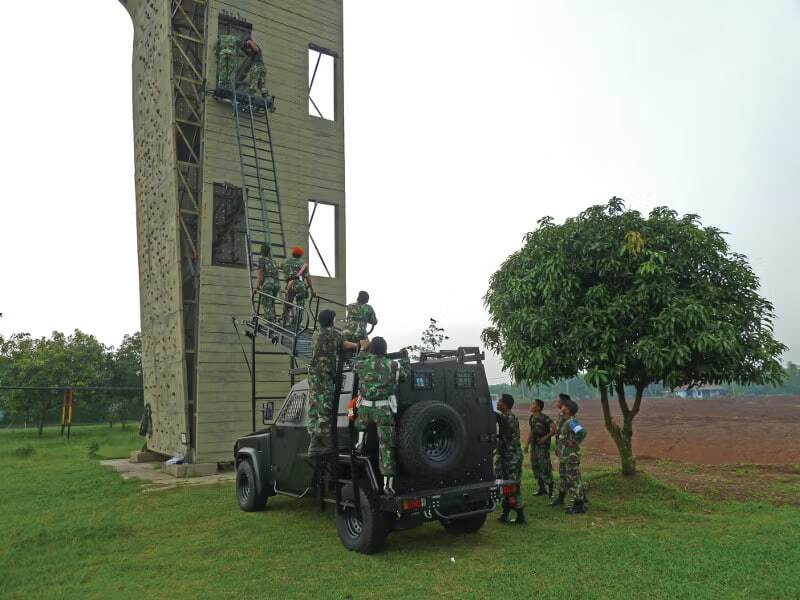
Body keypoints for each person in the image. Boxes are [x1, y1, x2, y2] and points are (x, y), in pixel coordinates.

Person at [352, 337, 409, 494]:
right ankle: (387, 485)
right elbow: (404, 376)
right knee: (386, 446)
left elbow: (354, 366)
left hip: (364, 409)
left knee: (359, 422)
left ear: (371, 349)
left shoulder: (362, 363)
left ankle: (359, 443)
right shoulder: (393, 365)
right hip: (383, 410)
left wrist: (362, 350)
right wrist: (405, 359)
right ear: (385, 349)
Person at [306, 310, 360, 456]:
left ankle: (313, 440)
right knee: (326, 407)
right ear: (331, 320)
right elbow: (346, 345)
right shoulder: (334, 334)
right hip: (324, 376)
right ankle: (320, 442)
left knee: (314, 406)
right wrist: (359, 345)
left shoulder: (316, 334)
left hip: (313, 375)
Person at [496, 393, 526, 524]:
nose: (497, 403)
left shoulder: (508, 417)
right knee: (506, 484)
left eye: (500, 401)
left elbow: (505, 438)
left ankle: (520, 516)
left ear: (505, 404)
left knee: (511, 485)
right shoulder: (506, 416)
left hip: (511, 457)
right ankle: (505, 513)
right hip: (509, 455)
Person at [559, 398, 588, 514]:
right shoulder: (567, 421)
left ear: (568, 409)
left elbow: (582, 432)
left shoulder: (571, 421)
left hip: (571, 456)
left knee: (573, 480)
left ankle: (579, 506)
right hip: (568, 456)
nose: (561, 407)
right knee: (575, 479)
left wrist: (575, 442)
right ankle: (580, 504)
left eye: (563, 406)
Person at [524, 399, 554, 497]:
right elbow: (532, 431)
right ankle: (541, 488)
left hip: (543, 447)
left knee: (545, 466)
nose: (531, 405)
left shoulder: (545, 418)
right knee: (536, 465)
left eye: (533, 404)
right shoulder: (532, 417)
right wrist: (527, 444)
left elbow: (554, 429)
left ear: (538, 407)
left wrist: (545, 438)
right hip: (534, 445)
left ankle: (551, 490)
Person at [282, 246, 313, 325]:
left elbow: (284, 271)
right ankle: (296, 325)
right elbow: (307, 278)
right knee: (300, 306)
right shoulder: (303, 263)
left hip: (290, 285)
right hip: (300, 285)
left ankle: (285, 321)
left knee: (287, 304)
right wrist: (312, 290)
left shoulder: (286, 262)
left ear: (293, 253)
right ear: (300, 255)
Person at [549, 393, 569, 506]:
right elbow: (559, 433)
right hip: (562, 449)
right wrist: (558, 446)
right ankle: (561, 498)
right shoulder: (561, 415)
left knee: (570, 474)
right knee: (564, 474)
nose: (557, 402)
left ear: (563, 403)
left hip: (567, 451)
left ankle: (580, 499)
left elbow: (580, 433)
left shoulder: (567, 417)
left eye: (558, 400)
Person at [255, 244, 280, 319]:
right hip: (276, 284)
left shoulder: (261, 260)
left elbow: (261, 274)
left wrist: (257, 287)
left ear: (261, 252)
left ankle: (270, 323)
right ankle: (273, 320)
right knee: (271, 303)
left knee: (266, 303)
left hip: (268, 283)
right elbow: (277, 273)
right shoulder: (273, 261)